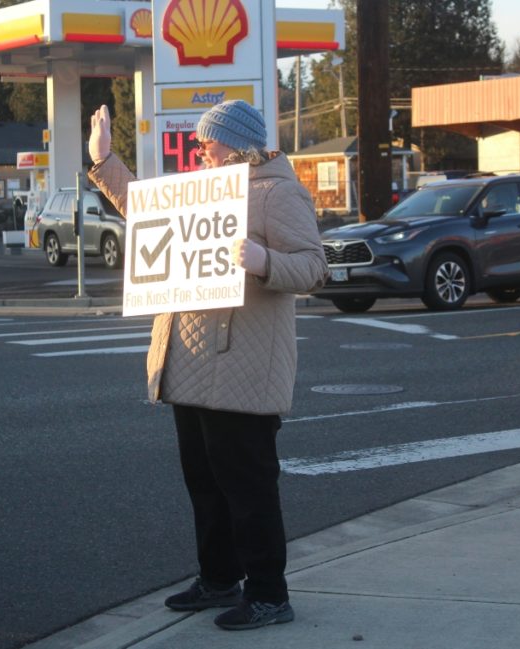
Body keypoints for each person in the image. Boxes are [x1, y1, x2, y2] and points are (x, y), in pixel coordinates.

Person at [87, 100, 328, 630]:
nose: (201, 152)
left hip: (242, 365)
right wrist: (105, 162)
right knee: (205, 480)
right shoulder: (206, 187)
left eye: (208, 143)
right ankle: (219, 579)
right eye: (200, 144)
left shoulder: (277, 191)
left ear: (240, 144)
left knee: (248, 486)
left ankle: (268, 594)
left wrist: (265, 263)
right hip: (191, 359)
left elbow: (314, 267)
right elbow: (147, 213)